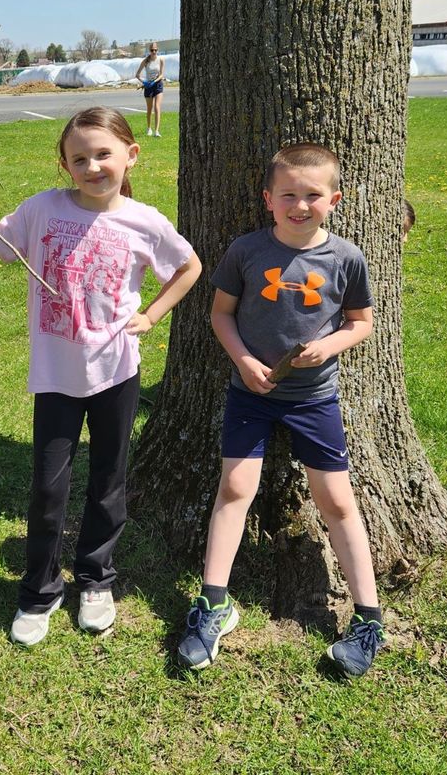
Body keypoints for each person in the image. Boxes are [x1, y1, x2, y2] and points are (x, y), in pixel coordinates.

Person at [0, 107, 202, 647]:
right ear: (64, 164)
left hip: (116, 373)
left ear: (131, 156)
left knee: (108, 483)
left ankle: (96, 580)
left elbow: (188, 266)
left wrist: (152, 315)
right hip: (56, 378)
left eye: (104, 154)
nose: (92, 167)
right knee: (47, 488)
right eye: (79, 158)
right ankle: (39, 591)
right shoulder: (42, 210)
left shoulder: (145, 221)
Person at [176, 143, 384, 679]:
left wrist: (328, 346)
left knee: (336, 501)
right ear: (268, 199)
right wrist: (245, 362)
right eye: (288, 195)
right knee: (234, 489)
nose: (300, 205)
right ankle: (213, 604)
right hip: (251, 394)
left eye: (313, 195)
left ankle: (368, 619)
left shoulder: (346, 258)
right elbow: (221, 314)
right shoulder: (246, 250)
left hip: (314, 398)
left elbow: (361, 322)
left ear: (334, 200)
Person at [135, 44, 165, 138]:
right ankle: (149, 128)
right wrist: (144, 82)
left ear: (157, 50)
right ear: (149, 50)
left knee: (157, 107)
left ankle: (157, 131)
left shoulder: (161, 60)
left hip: (158, 84)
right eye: (152, 50)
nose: (154, 52)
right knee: (149, 108)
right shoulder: (145, 61)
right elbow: (137, 75)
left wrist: (154, 82)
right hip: (148, 86)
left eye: (155, 50)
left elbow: (161, 75)